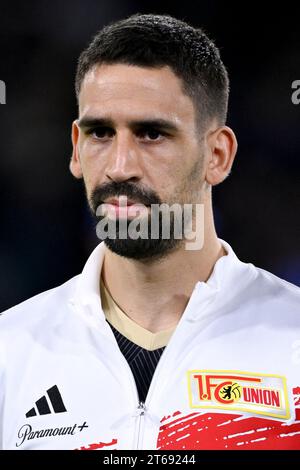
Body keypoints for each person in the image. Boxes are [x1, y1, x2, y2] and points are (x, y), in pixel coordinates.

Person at [0, 13, 299, 451]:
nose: (120, 166)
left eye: (152, 134)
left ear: (217, 154)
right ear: (76, 150)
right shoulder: (11, 352)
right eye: (100, 132)